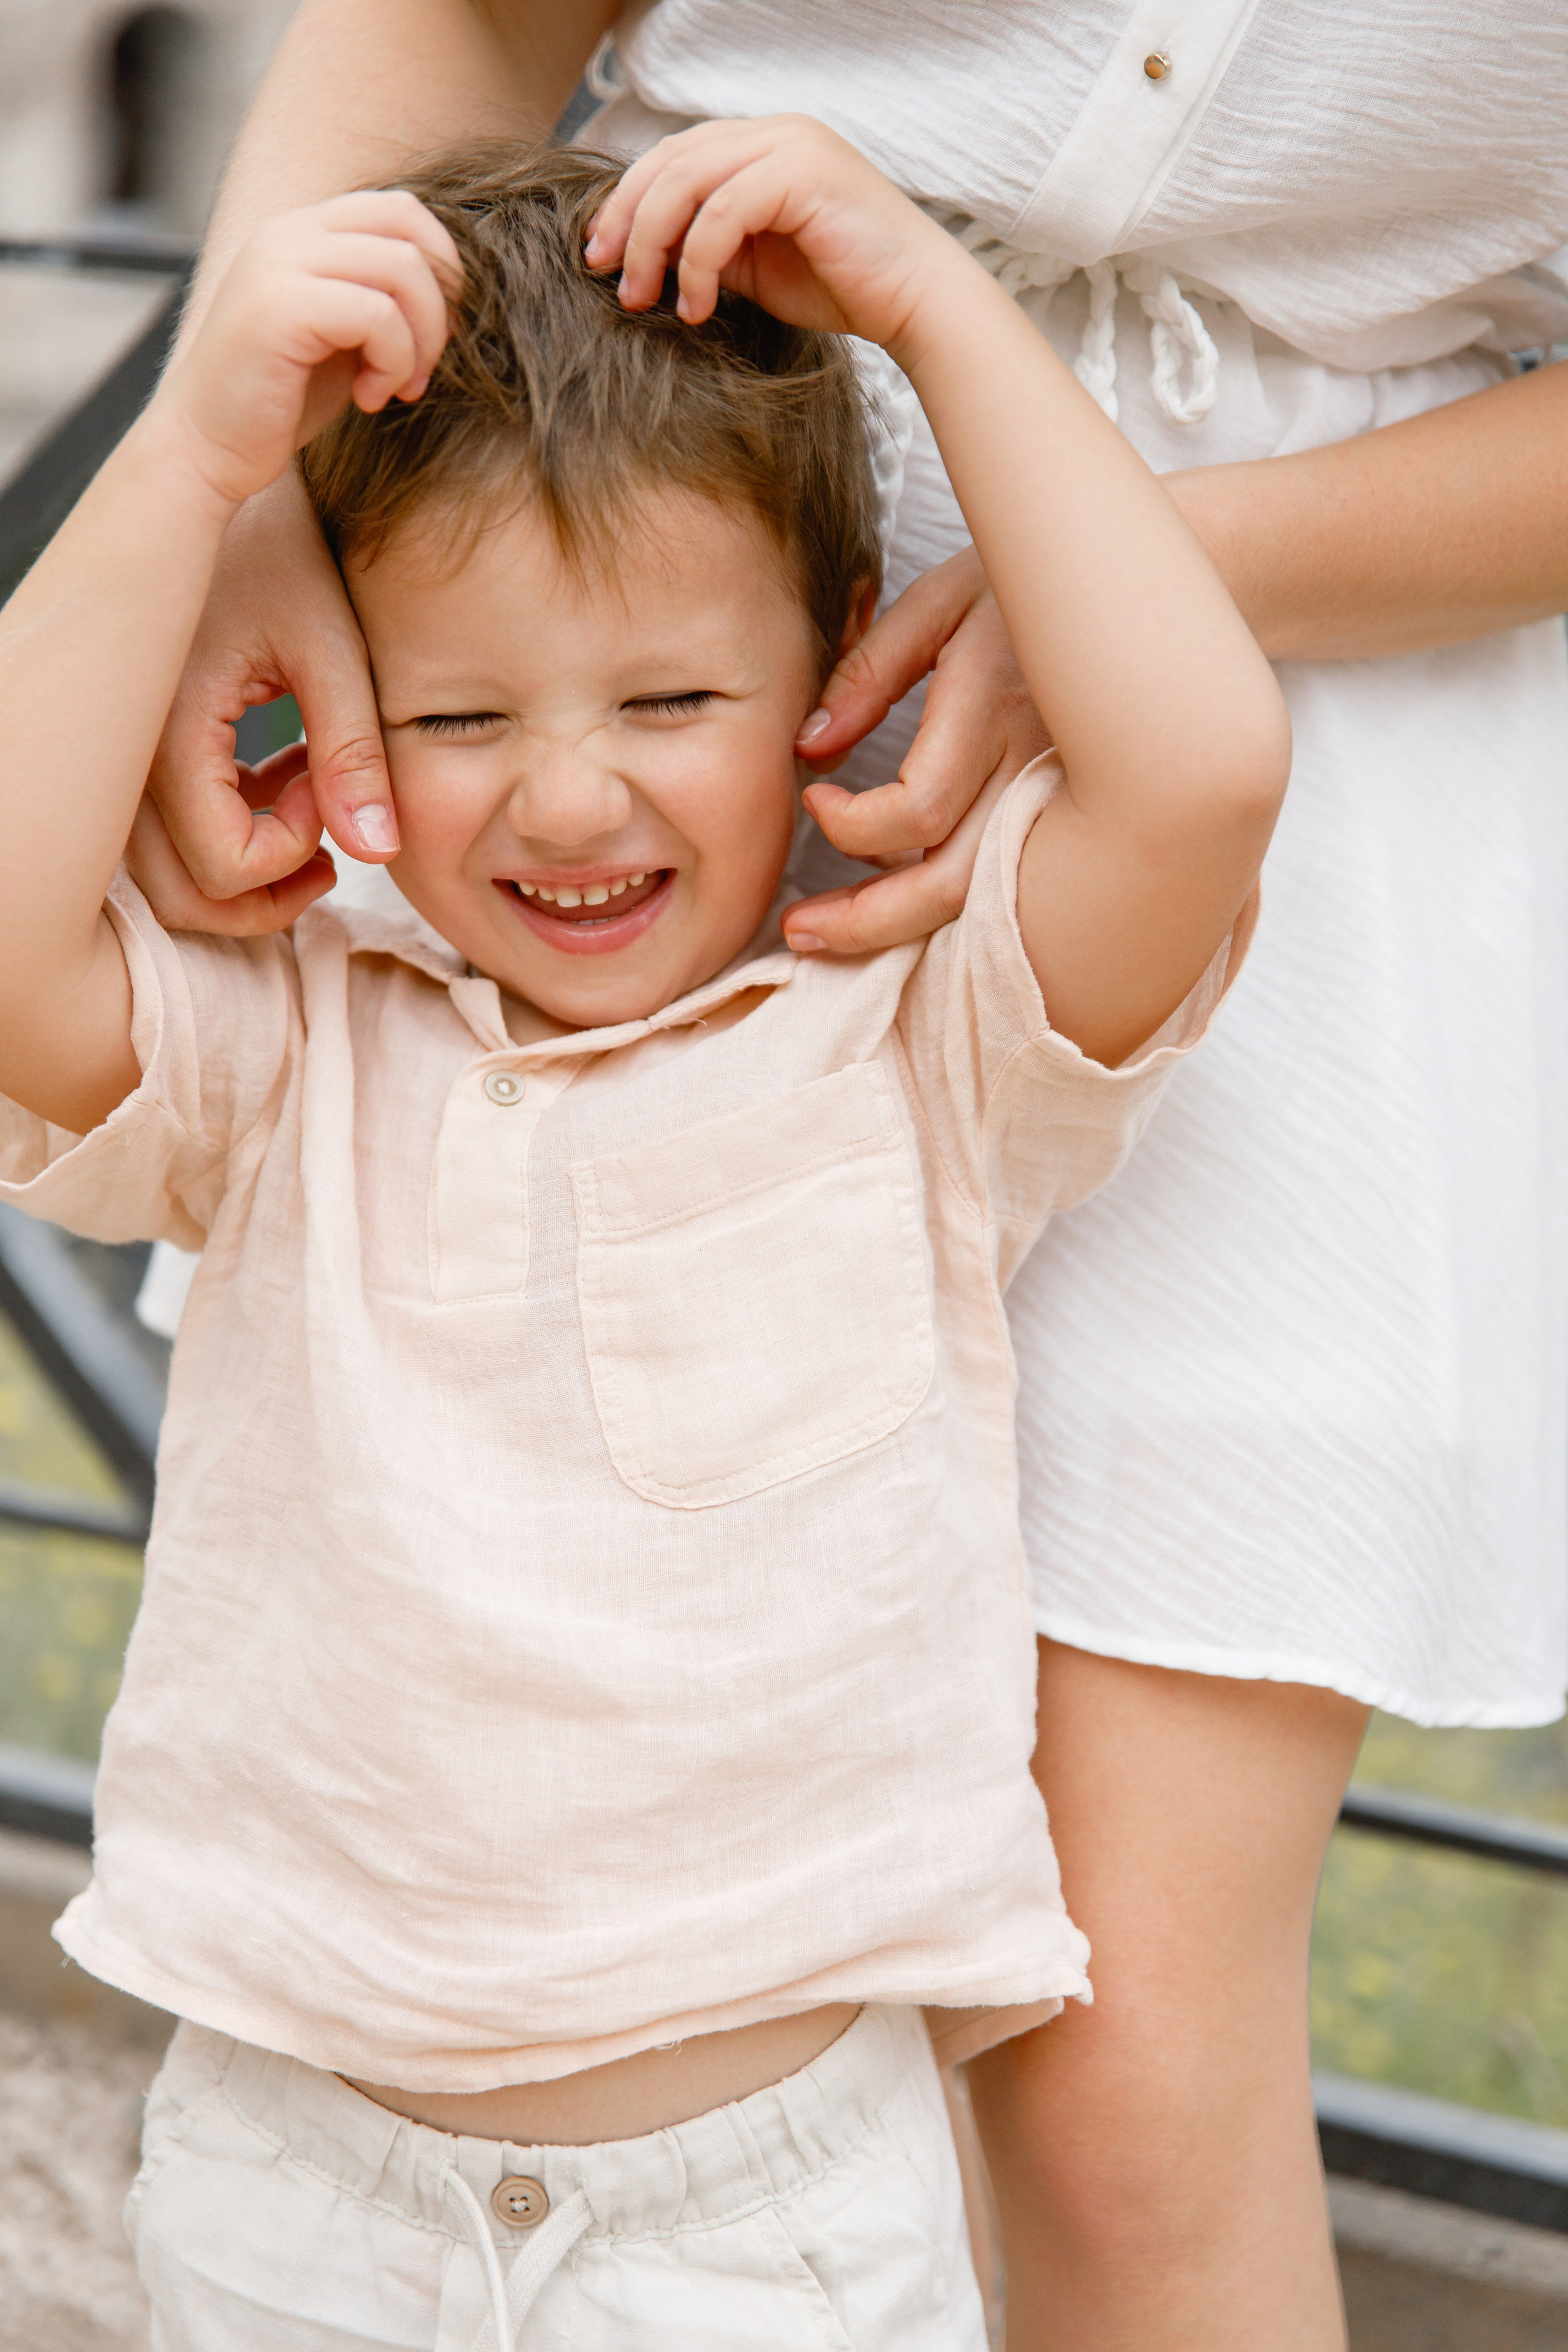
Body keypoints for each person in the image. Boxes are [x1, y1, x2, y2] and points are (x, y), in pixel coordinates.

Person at [128, 12, 1568, 2343]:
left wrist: (1020, 437)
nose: (565, 795)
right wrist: (234, 482)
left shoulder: (980, 1006)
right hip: (584, 513)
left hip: (1341, 664)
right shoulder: (365, 998)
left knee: (1136, 2086)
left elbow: (1190, 771)